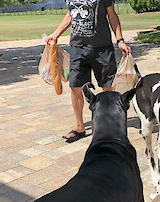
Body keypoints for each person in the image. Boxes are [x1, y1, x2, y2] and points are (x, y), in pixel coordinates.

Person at [45, 0, 131, 143]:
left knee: (108, 87)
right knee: (75, 86)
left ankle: (111, 125)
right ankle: (79, 127)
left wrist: (120, 40)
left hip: (102, 48)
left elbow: (112, 15)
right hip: (78, 48)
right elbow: (70, 15)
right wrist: (55, 34)